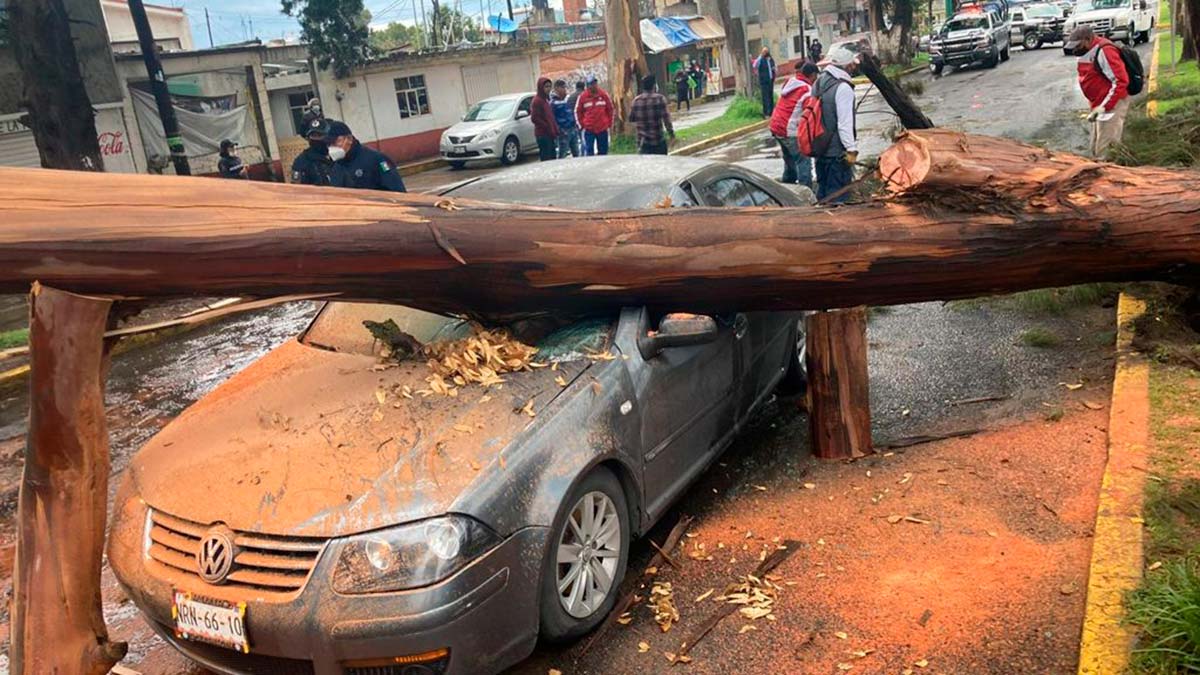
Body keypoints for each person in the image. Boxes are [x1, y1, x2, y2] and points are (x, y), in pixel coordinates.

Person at [1064, 26, 1131, 158]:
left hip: (1112, 104)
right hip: (1099, 104)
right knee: (1095, 146)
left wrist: (1104, 107)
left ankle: (1112, 176)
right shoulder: (1087, 52)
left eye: (1078, 45)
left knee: (1106, 150)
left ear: (1088, 40)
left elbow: (1120, 81)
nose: (1075, 49)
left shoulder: (1105, 51)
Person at [814, 44, 860, 203]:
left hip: (820, 148)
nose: (853, 68)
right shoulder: (843, 88)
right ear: (846, 66)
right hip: (837, 155)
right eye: (852, 65)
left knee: (823, 196)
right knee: (838, 199)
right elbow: (844, 124)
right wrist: (851, 150)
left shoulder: (819, 82)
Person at [769, 61, 818, 187]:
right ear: (812, 75)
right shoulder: (807, 90)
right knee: (803, 161)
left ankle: (787, 188)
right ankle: (805, 193)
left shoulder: (790, 82)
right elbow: (809, 114)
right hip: (789, 130)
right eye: (815, 77)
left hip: (776, 127)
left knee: (790, 160)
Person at [324, 120, 406, 192]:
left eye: (336, 142)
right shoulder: (336, 168)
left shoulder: (377, 160)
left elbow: (397, 190)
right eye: (329, 144)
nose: (332, 147)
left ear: (349, 139)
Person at [629, 75, 675, 155]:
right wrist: (671, 134)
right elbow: (666, 119)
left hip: (643, 143)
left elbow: (631, 119)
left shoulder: (636, 101)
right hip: (658, 141)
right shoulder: (660, 99)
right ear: (654, 86)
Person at [290, 117, 338, 186]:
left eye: (319, 135)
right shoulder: (302, 161)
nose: (316, 138)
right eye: (313, 135)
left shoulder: (337, 153)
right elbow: (297, 189)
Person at [574, 76, 614, 156]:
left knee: (603, 150)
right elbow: (577, 112)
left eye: (595, 83)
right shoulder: (582, 97)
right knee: (589, 151)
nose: (594, 85)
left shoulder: (603, 95)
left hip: (602, 128)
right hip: (589, 129)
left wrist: (609, 123)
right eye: (591, 84)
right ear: (588, 86)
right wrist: (581, 126)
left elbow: (610, 109)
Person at [531, 76, 560, 162]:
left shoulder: (546, 100)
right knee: (546, 158)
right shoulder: (537, 101)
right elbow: (534, 118)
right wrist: (547, 126)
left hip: (549, 134)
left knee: (552, 157)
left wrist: (554, 129)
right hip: (543, 134)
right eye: (546, 86)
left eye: (549, 86)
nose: (548, 89)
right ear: (541, 87)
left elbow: (550, 116)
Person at [551, 79, 580, 158]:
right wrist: (560, 130)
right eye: (563, 87)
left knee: (577, 153)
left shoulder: (567, 99)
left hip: (572, 129)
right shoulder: (553, 102)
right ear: (557, 88)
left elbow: (571, 112)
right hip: (563, 131)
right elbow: (552, 119)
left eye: (565, 87)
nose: (565, 90)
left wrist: (575, 125)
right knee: (562, 153)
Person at [752, 47, 777, 116]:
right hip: (764, 81)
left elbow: (774, 67)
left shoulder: (770, 59)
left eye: (766, 51)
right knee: (765, 97)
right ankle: (766, 113)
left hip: (770, 80)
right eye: (764, 52)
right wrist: (760, 56)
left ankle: (771, 112)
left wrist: (775, 73)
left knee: (770, 96)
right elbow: (754, 65)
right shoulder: (760, 60)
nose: (766, 53)